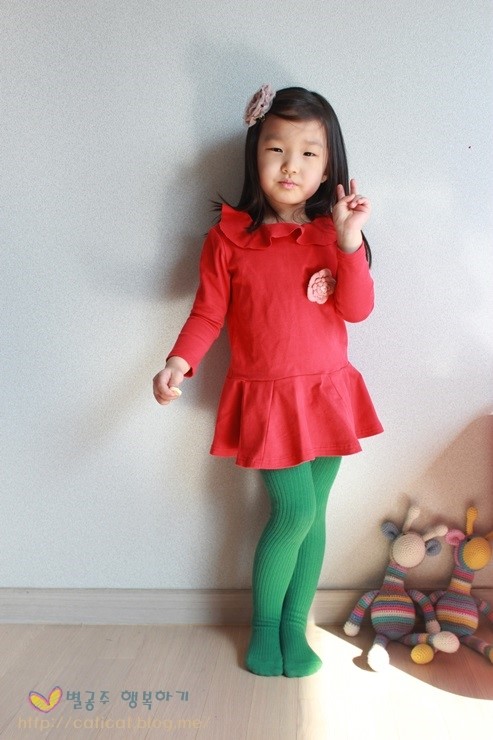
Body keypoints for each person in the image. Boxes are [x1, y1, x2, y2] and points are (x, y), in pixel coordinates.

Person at [153, 84, 383, 677]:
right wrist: (179, 361)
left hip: (329, 394)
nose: (290, 166)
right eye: (276, 150)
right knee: (294, 513)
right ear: (255, 155)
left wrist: (348, 240)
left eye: (309, 153)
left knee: (315, 516)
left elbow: (357, 309)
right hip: (270, 400)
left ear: (329, 166)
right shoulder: (229, 239)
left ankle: (293, 629)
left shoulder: (334, 235)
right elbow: (208, 314)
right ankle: (263, 629)